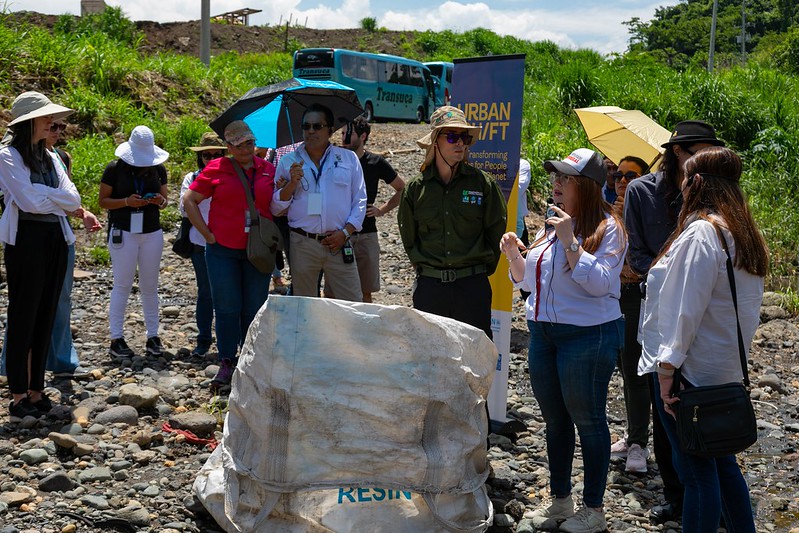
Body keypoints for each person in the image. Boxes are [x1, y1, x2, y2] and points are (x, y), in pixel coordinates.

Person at [640, 146, 766, 532]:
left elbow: (686, 310)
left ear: (695, 183)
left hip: (688, 374)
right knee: (724, 467)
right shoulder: (742, 233)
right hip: (724, 371)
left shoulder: (702, 232)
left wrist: (666, 370)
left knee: (696, 474)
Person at [500, 148, 626, 533]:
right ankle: (560, 501)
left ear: (585, 187)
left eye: (564, 179)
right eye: (555, 177)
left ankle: (593, 509)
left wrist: (572, 242)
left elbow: (601, 284)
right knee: (554, 421)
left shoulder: (609, 229)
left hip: (587, 336)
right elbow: (526, 284)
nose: (555, 185)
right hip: (544, 333)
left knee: (588, 420)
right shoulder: (548, 227)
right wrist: (512, 258)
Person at [623, 119, 724, 523]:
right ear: (678, 152)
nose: (704, 160)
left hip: (699, 314)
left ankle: (707, 501)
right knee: (663, 411)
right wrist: (672, 275)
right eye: (698, 152)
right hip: (655, 311)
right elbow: (636, 257)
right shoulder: (642, 191)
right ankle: (677, 496)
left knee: (703, 415)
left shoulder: (711, 192)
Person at [0, 91, 81, 418]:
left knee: (47, 312)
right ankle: (19, 393)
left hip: (54, 238)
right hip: (26, 239)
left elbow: (73, 200)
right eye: (47, 118)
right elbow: (29, 203)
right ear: (30, 121)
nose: (53, 123)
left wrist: (46, 195)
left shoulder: (49, 156)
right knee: (24, 314)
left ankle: (37, 389)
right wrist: (54, 198)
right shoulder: (7, 156)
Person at [397, 106, 506, 339]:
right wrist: (426, 270)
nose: (460, 144)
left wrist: (475, 271)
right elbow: (409, 237)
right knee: (430, 358)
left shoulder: (482, 184)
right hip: (431, 289)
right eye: (453, 136)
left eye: (464, 137)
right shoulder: (416, 189)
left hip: (472, 288)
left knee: (476, 361)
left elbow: (496, 229)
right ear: (435, 142)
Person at [183, 120, 275, 391]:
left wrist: (290, 183)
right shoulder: (216, 168)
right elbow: (190, 200)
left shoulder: (268, 170)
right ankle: (226, 360)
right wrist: (207, 235)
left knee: (254, 306)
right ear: (228, 147)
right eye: (238, 145)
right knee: (226, 306)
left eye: (249, 142)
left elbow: (278, 204)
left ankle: (250, 359)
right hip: (222, 249)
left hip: (257, 249)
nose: (245, 149)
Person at [272, 103, 366, 302]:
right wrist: (291, 185)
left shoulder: (348, 159)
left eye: (317, 126)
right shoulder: (288, 162)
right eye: (306, 127)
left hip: (339, 242)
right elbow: (276, 208)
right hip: (303, 244)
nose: (311, 131)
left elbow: (360, 200)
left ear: (330, 130)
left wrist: (346, 232)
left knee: (353, 305)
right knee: (304, 307)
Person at [99, 125, 169, 359]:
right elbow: (104, 201)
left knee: (150, 286)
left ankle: (153, 336)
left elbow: (165, 200)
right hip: (123, 232)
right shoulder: (114, 169)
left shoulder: (158, 168)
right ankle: (116, 338)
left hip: (151, 232)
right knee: (122, 284)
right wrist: (127, 202)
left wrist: (158, 200)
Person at [605, 155, 653, 473]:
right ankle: (631, 435)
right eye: (618, 174)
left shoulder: (649, 210)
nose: (622, 180)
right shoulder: (610, 210)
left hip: (636, 296)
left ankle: (639, 444)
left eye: (630, 175)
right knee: (623, 368)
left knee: (636, 372)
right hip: (611, 297)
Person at [326, 116, 405, 302]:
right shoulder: (335, 159)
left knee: (365, 291)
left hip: (366, 233)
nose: (343, 138)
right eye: (342, 133)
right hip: (338, 233)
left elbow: (403, 188)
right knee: (331, 292)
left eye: (348, 134)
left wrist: (381, 210)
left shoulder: (375, 162)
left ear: (362, 137)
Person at [180, 132, 227, 357]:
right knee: (206, 293)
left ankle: (228, 341)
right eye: (206, 155)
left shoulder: (231, 175)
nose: (211, 159)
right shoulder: (192, 178)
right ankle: (204, 339)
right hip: (201, 242)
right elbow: (184, 208)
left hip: (228, 241)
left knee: (228, 294)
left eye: (216, 154)